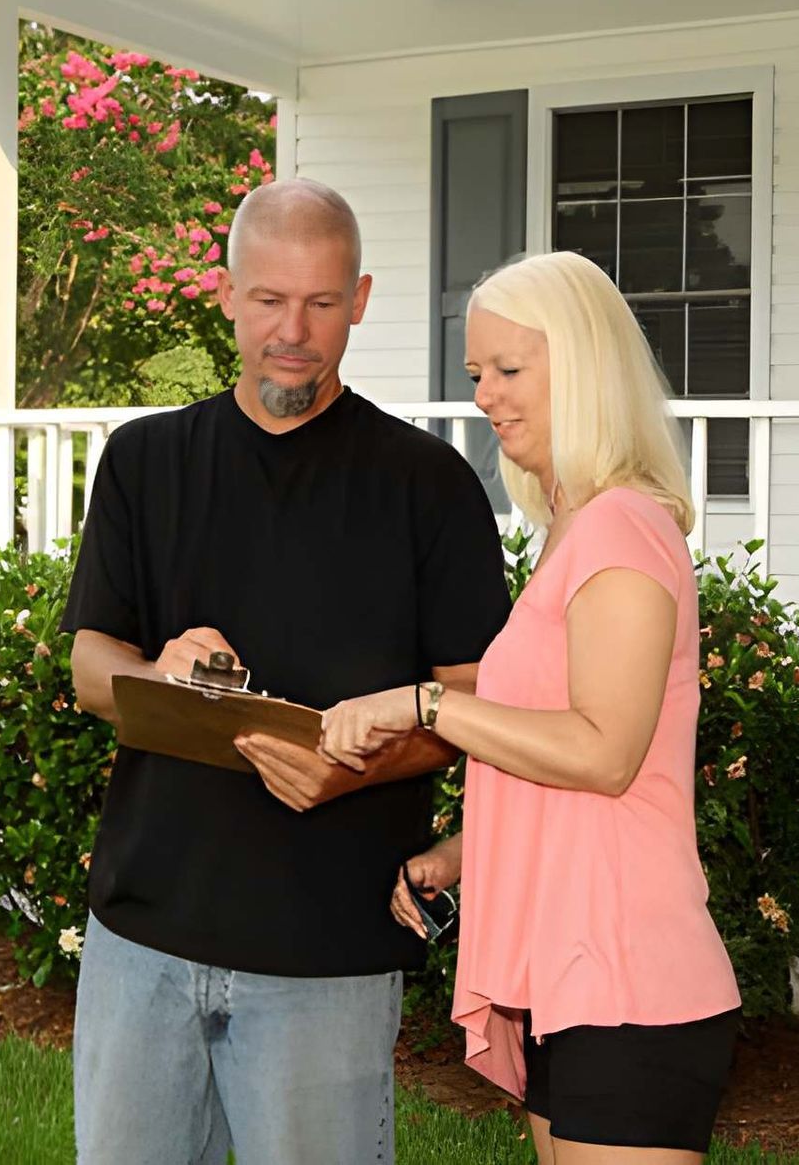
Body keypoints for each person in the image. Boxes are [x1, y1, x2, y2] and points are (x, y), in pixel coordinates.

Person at [61, 178, 510, 1164]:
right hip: (145, 937)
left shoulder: (430, 488)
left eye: (320, 301)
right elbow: (92, 662)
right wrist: (161, 679)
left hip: (328, 949)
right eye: (269, 299)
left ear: (360, 297)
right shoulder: (144, 462)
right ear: (225, 294)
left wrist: (356, 764)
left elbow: (480, 706)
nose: (293, 331)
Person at [320, 250, 743, 1164]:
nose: (486, 395)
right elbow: (568, 770)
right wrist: (461, 855)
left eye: (511, 370)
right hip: (575, 977)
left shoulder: (623, 529)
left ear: (586, 366)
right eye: (477, 373)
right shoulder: (574, 533)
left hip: (632, 976)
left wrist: (429, 705)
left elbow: (605, 754)